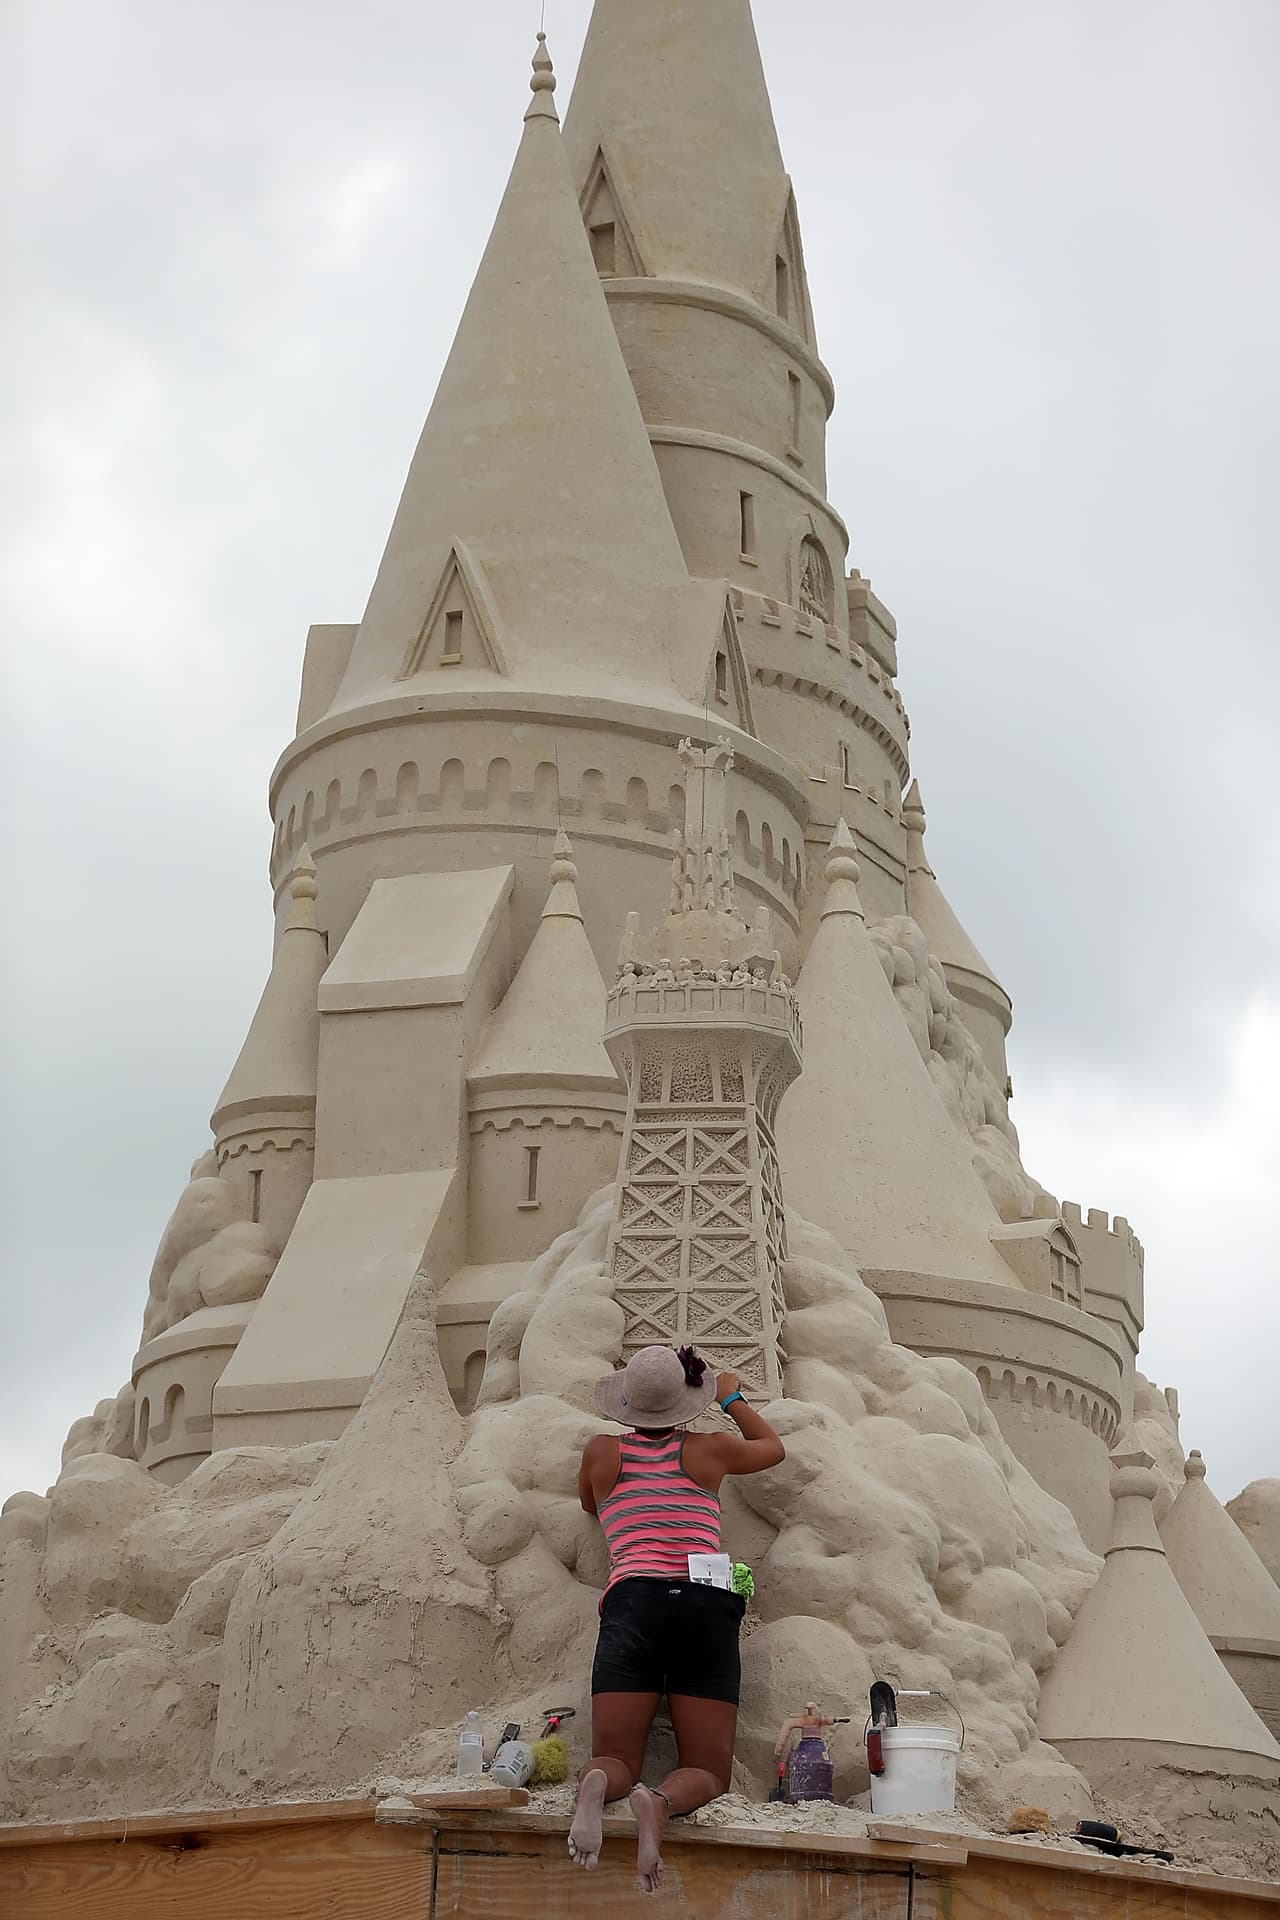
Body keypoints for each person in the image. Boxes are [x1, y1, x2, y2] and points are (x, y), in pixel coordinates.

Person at [567, 1343, 786, 1892]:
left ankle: (599, 1783)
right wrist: (730, 1395)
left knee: (615, 1754)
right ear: (687, 1402)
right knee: (708, 1769)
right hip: (703, 1606)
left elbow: (591, 1507)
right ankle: (660, 1802)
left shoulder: (599, 1452)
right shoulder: (711, 1451)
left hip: (632, 1601)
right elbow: (772, 1448)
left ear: (627, 1403)